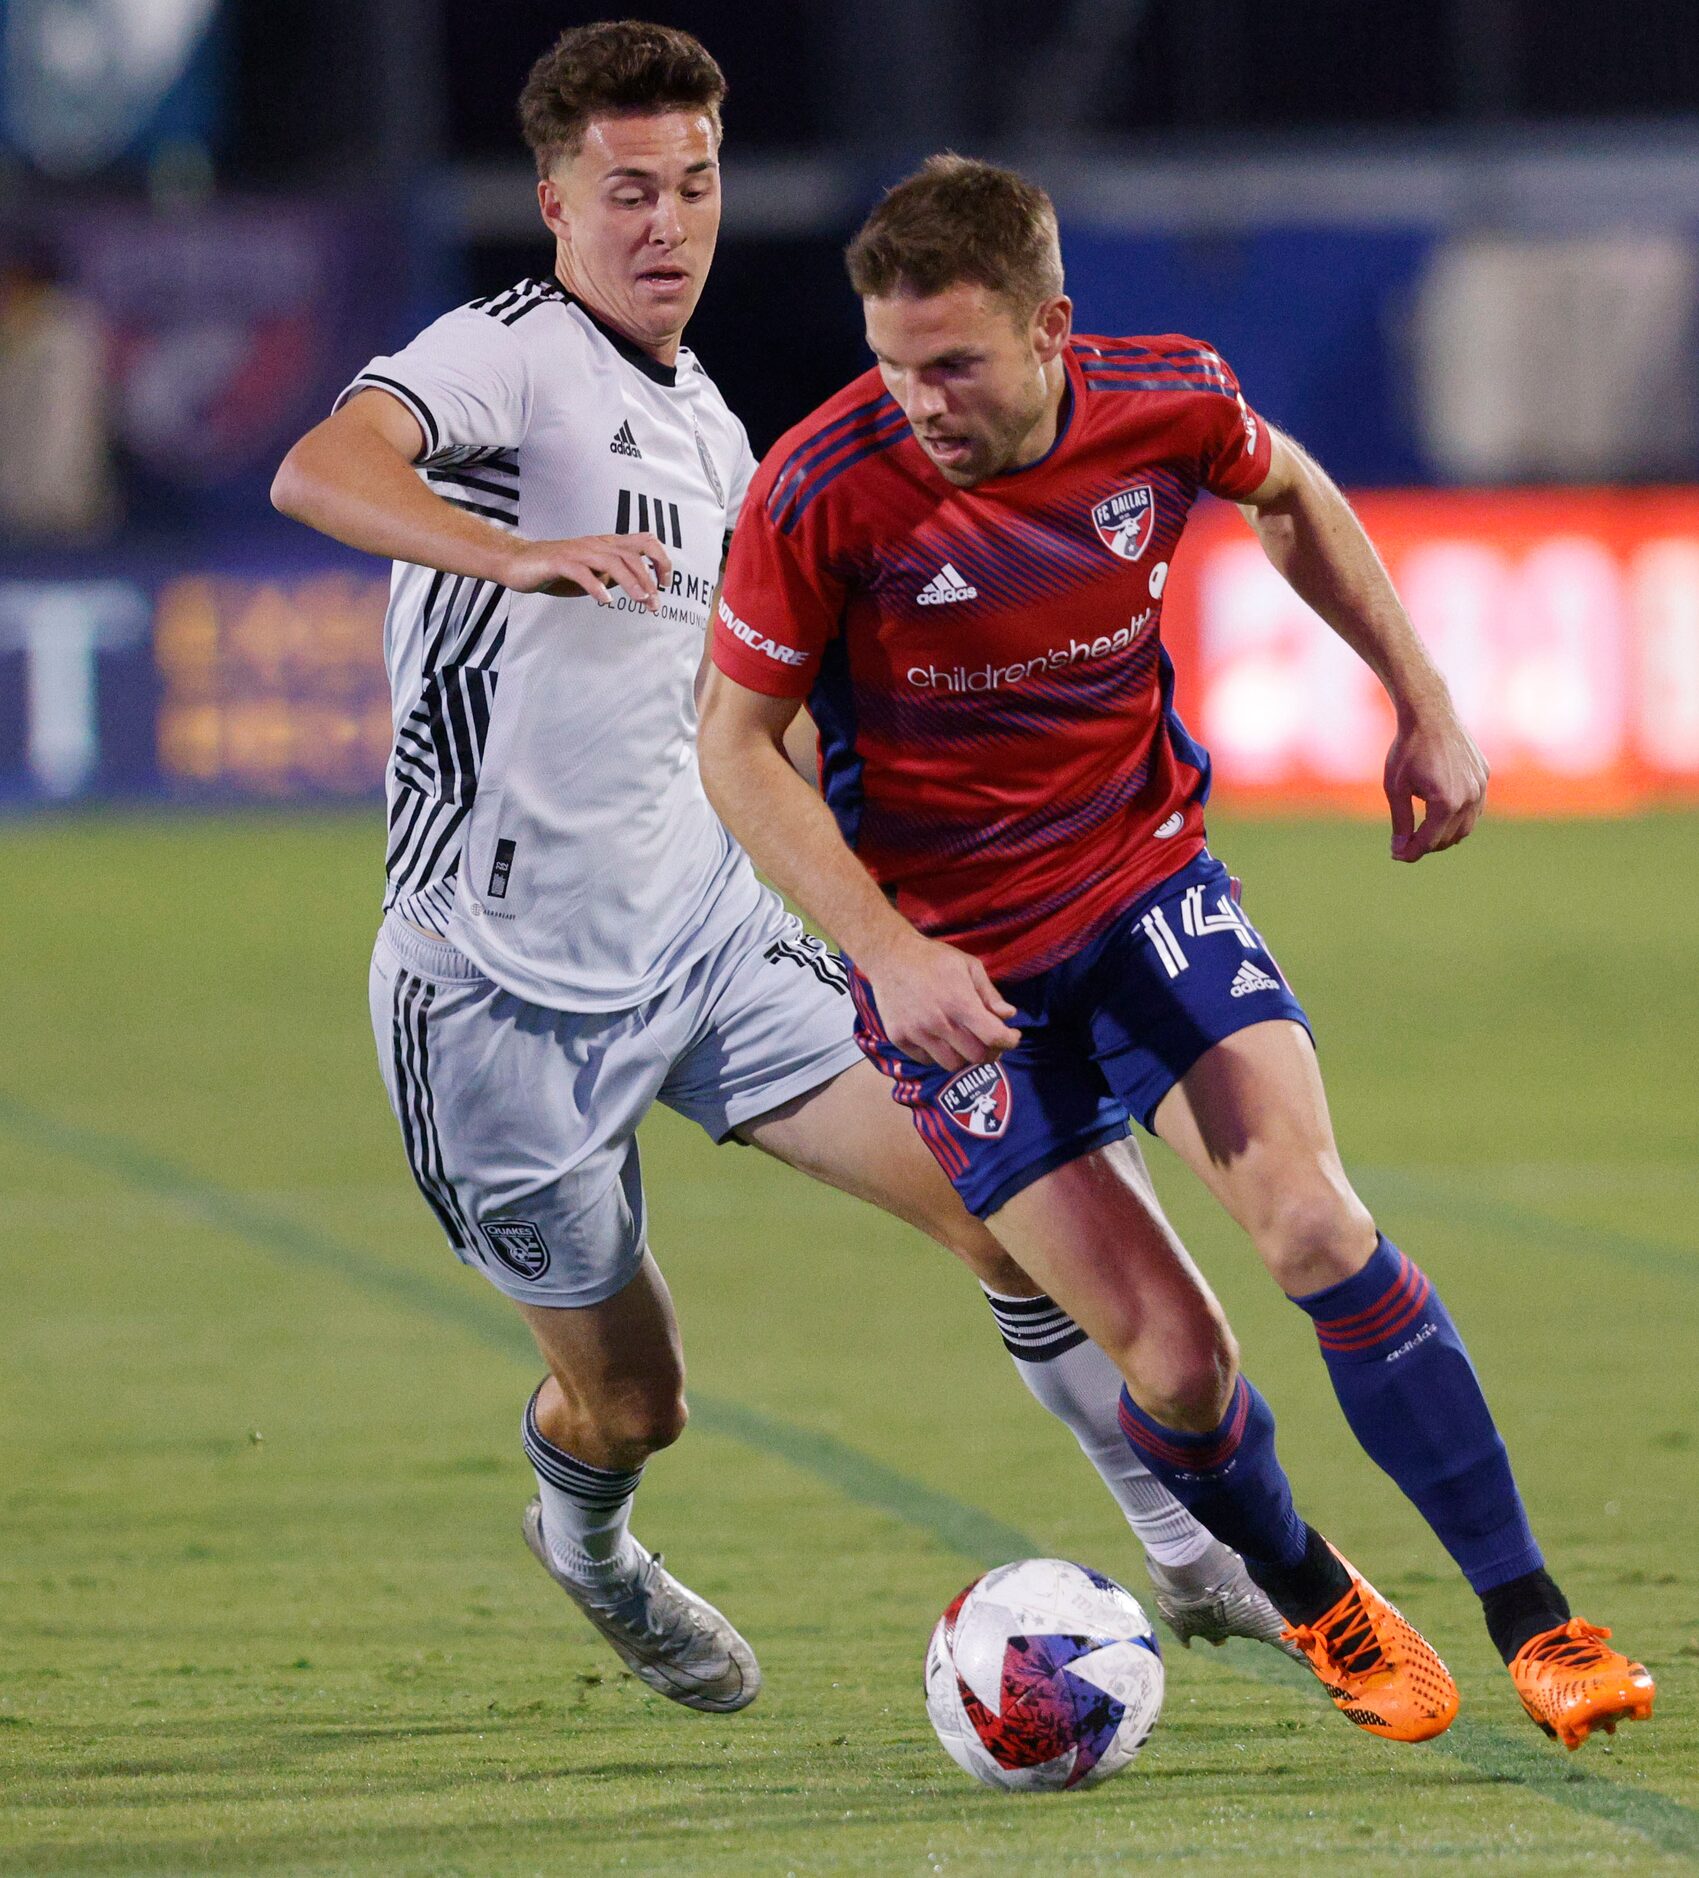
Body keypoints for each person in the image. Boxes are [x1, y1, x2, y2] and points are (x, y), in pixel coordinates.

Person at [270, 24, 1291, 1717]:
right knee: (635, 1406)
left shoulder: (719, 431)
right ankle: (589, 1544)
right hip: (497, 1005)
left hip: (710, 942)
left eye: (694, 185)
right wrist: (520, 551)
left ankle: (1183, 1548)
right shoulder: (501, 356)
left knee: (1010, 1198)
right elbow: (322, 467)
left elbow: (759, 719)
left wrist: (903, 900)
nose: (667, 225)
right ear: (552, 204)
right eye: (626, 193)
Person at [698, 154, 1655, 1752]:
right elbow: (734, 746)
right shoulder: (821, 490)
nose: (915, 400)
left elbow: (1293, 493)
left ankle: (1539, 1623)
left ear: (1052, 328)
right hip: (957, 986)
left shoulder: (1166, 403)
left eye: (953, 364)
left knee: (1311, 1218)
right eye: (888, 363)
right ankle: (1311, 1589)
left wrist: (1421, 702)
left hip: (1143, 891)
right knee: (1181, 1364)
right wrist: (885, 946)